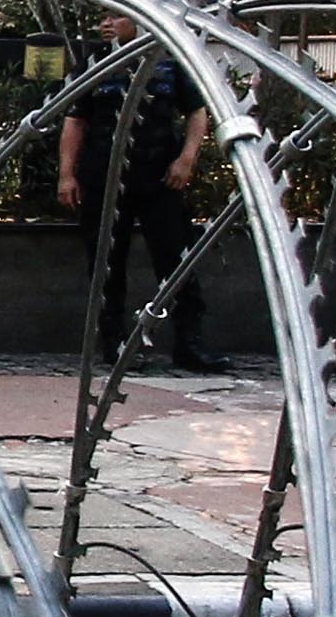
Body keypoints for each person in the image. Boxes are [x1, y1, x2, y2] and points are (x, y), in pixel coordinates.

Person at [55, 42, 222, 375]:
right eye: (105, 16)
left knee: (177, 258)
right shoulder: (94, 61)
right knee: (106, 262)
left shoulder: (168, 59)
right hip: (103, 176)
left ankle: (190, 344)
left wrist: (187, 159)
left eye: (115, 16)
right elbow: (75, 120)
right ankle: (114, 344)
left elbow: (197, 111)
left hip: (159, 175)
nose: (107, 22)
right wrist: (66, 174)